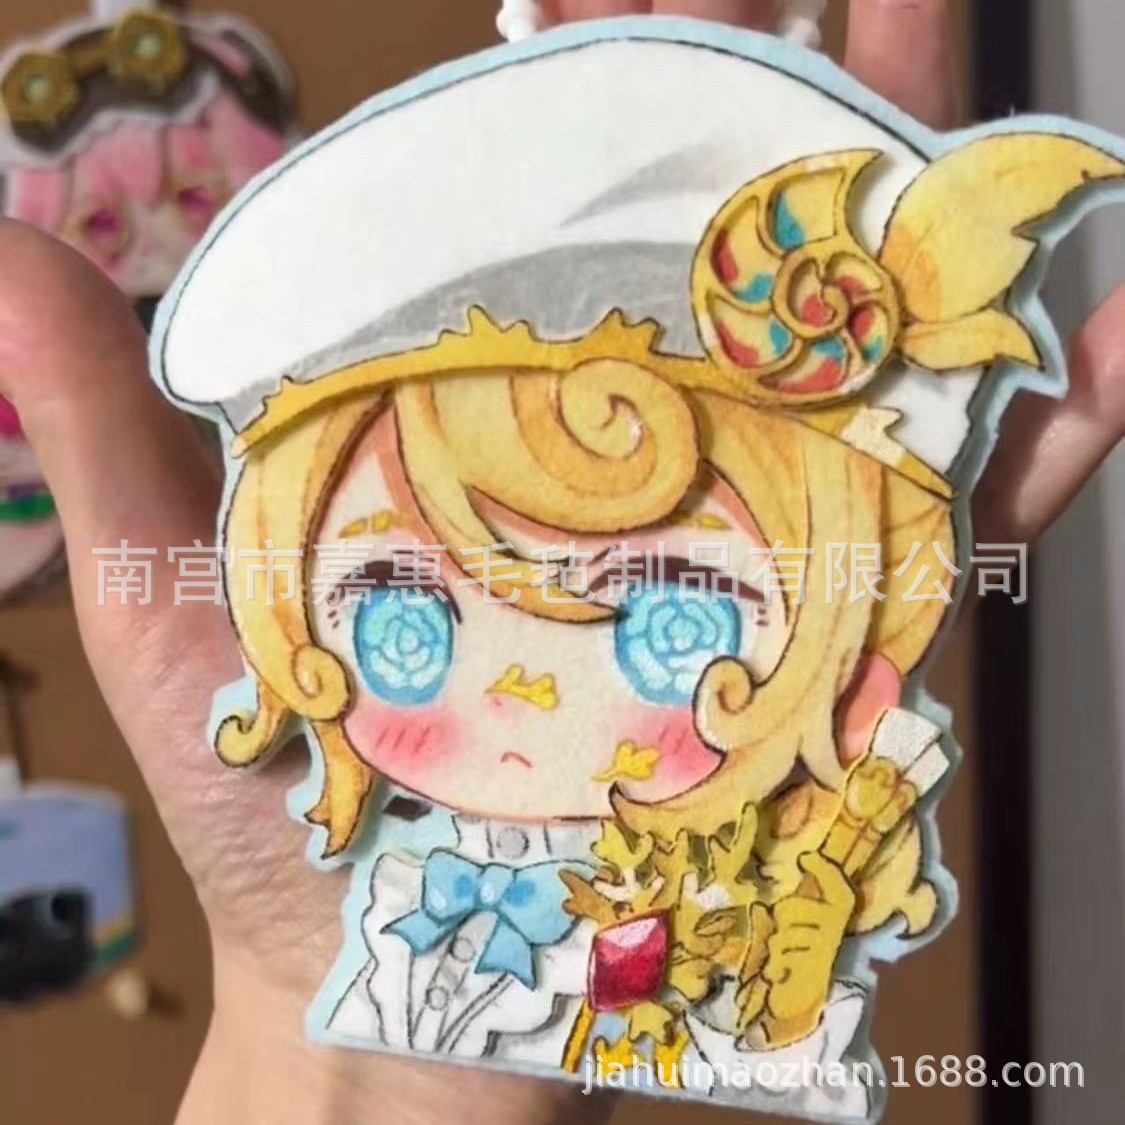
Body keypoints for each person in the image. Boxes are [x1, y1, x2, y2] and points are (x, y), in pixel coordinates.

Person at [0, 4, 1119, 1125]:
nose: (524, 692)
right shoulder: (399, 902)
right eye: (405, 624)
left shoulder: (746, 882)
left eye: (670, 630)